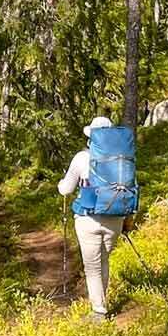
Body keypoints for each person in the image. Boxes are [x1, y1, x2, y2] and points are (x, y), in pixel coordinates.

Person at [58, 115, 133, 322]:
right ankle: (101, 303)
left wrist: (60, 184)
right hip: (115, 219)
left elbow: (66, 190)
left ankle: (99, 311)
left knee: (92, 267)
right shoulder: (122, 160)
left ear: (91, 137)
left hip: (88, 219)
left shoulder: (82, 158)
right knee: (104, 261)